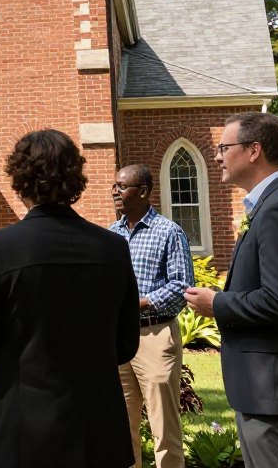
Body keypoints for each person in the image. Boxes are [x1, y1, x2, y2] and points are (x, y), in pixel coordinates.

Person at [0, 129, 139, 468]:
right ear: (74, 178)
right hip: (96, 431)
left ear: (19, 181)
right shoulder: (112, 248)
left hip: (22, 432)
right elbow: (126, 345)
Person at [186, 112, 278, 468]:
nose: (218, 156)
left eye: (224, 147)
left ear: (254, 150)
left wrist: (217, 303)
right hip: (268, 391)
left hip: (277, 393)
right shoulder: (275, 205)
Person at [109, 164, 194, 468]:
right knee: (121, 424)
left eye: (122, 186)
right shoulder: (111, 233)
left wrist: (141, 303)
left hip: (155, 335)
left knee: (164, 426)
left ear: (143, 191)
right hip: (119, 339)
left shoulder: (169, 232)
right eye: (114, 186)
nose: (114, 191)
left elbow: (182, 285)